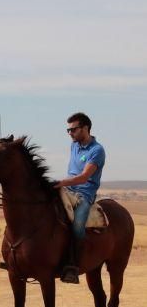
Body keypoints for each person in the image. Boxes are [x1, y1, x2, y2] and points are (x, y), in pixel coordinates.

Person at [54, 113, 106, 284]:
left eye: (73, 129)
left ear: (85, 128)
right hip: (68, 189)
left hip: (84, 194)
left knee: (77, 226)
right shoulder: (74, 145)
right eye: (67, 130)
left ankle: (73, 266)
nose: (70, 133)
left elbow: (84, 177)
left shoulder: (97, 150)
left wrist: (60, 182)